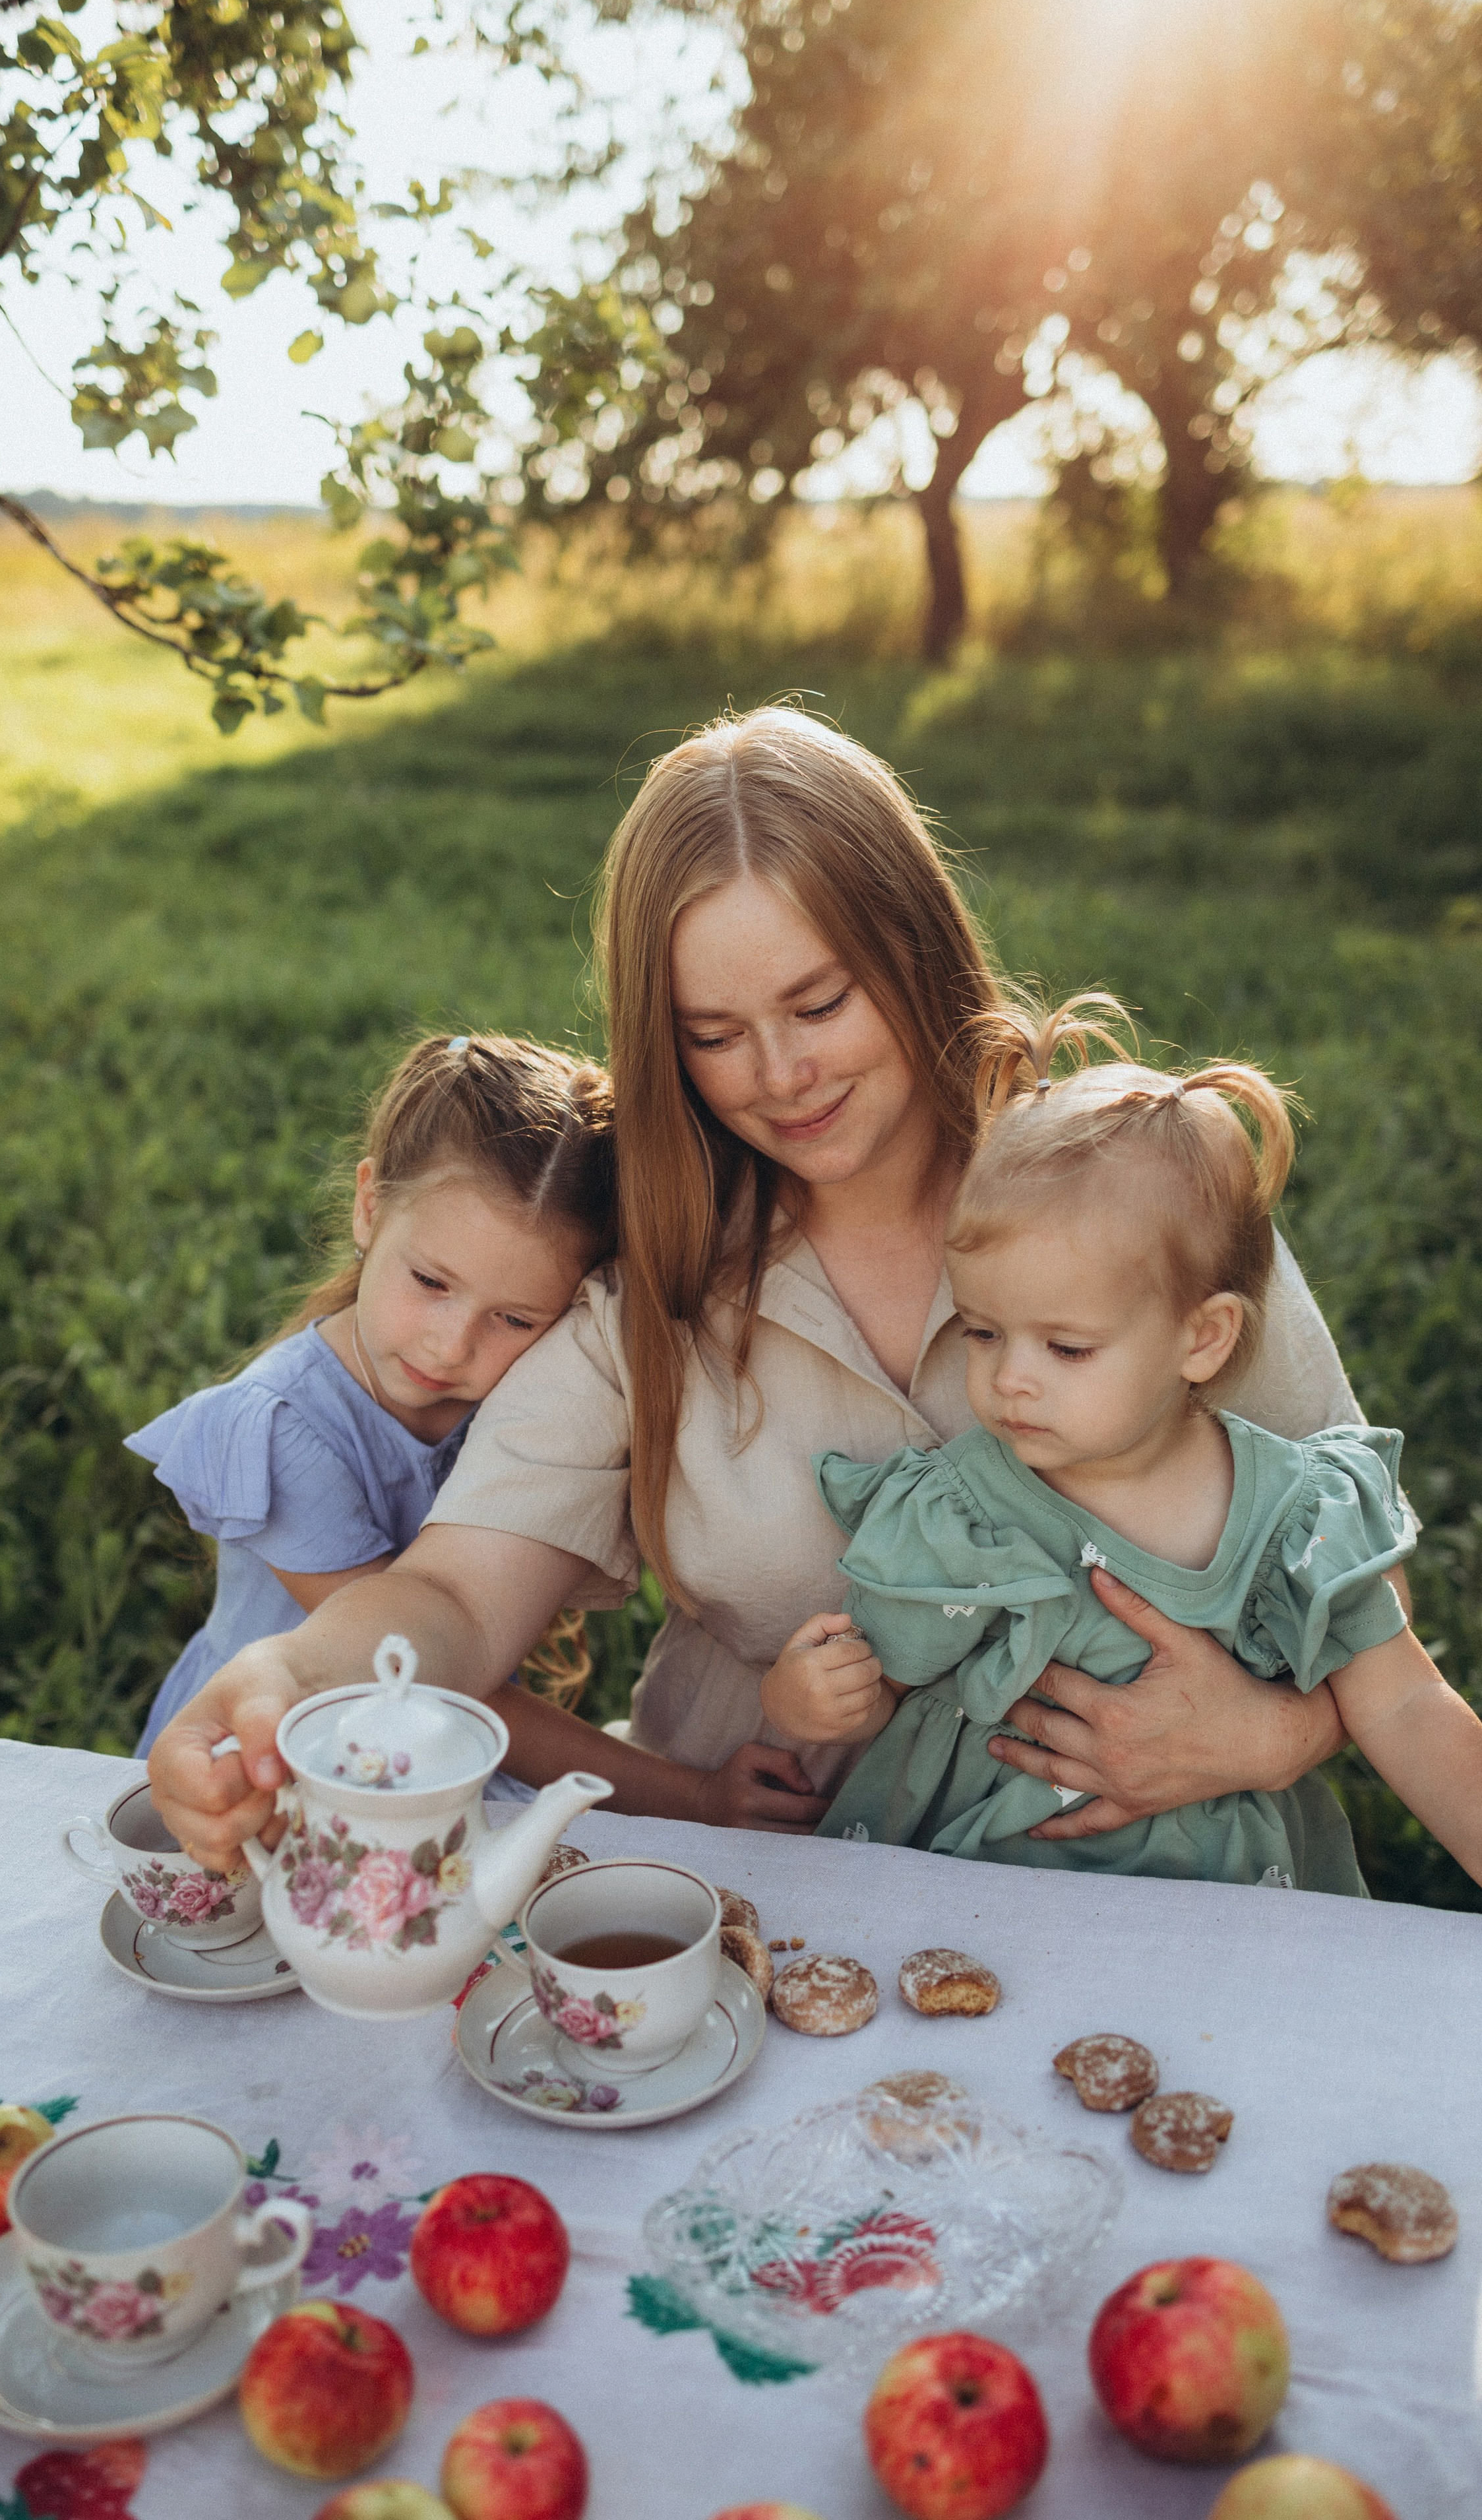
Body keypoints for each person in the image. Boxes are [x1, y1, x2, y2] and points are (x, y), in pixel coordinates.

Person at [148, 706, 1375, 1875]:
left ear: (915, 949)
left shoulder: (1134, 1188)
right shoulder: (650, 1276)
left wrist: (1282, 1733)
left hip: (1154, 1877)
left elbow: (1360, 1551)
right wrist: (296, 1679)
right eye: (714, 1033)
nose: (781, 1076)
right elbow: (457, 1593)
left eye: (819, 1003)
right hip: (767, 1877)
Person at [762, 996, 1481, 1893]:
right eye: (983, 1333)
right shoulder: (966, 1511)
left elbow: (1410, 1704)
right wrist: (820, 1693)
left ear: (1203, 1338)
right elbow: (883, 1680)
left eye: (1066, 1347)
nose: (1009, 1379)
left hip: (1219, 1911)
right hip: (984, 1892)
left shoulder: (1294, 1519)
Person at [125, 1032, 615, 1752]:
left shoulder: (537, 1407)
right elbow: (415, 1678)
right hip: (265, 1756)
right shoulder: (285, 1427)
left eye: (514, 1319)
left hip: (430, 1749)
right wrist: (691, 1795)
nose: (450, 1347)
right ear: (368, 1207)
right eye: (430, 1282)